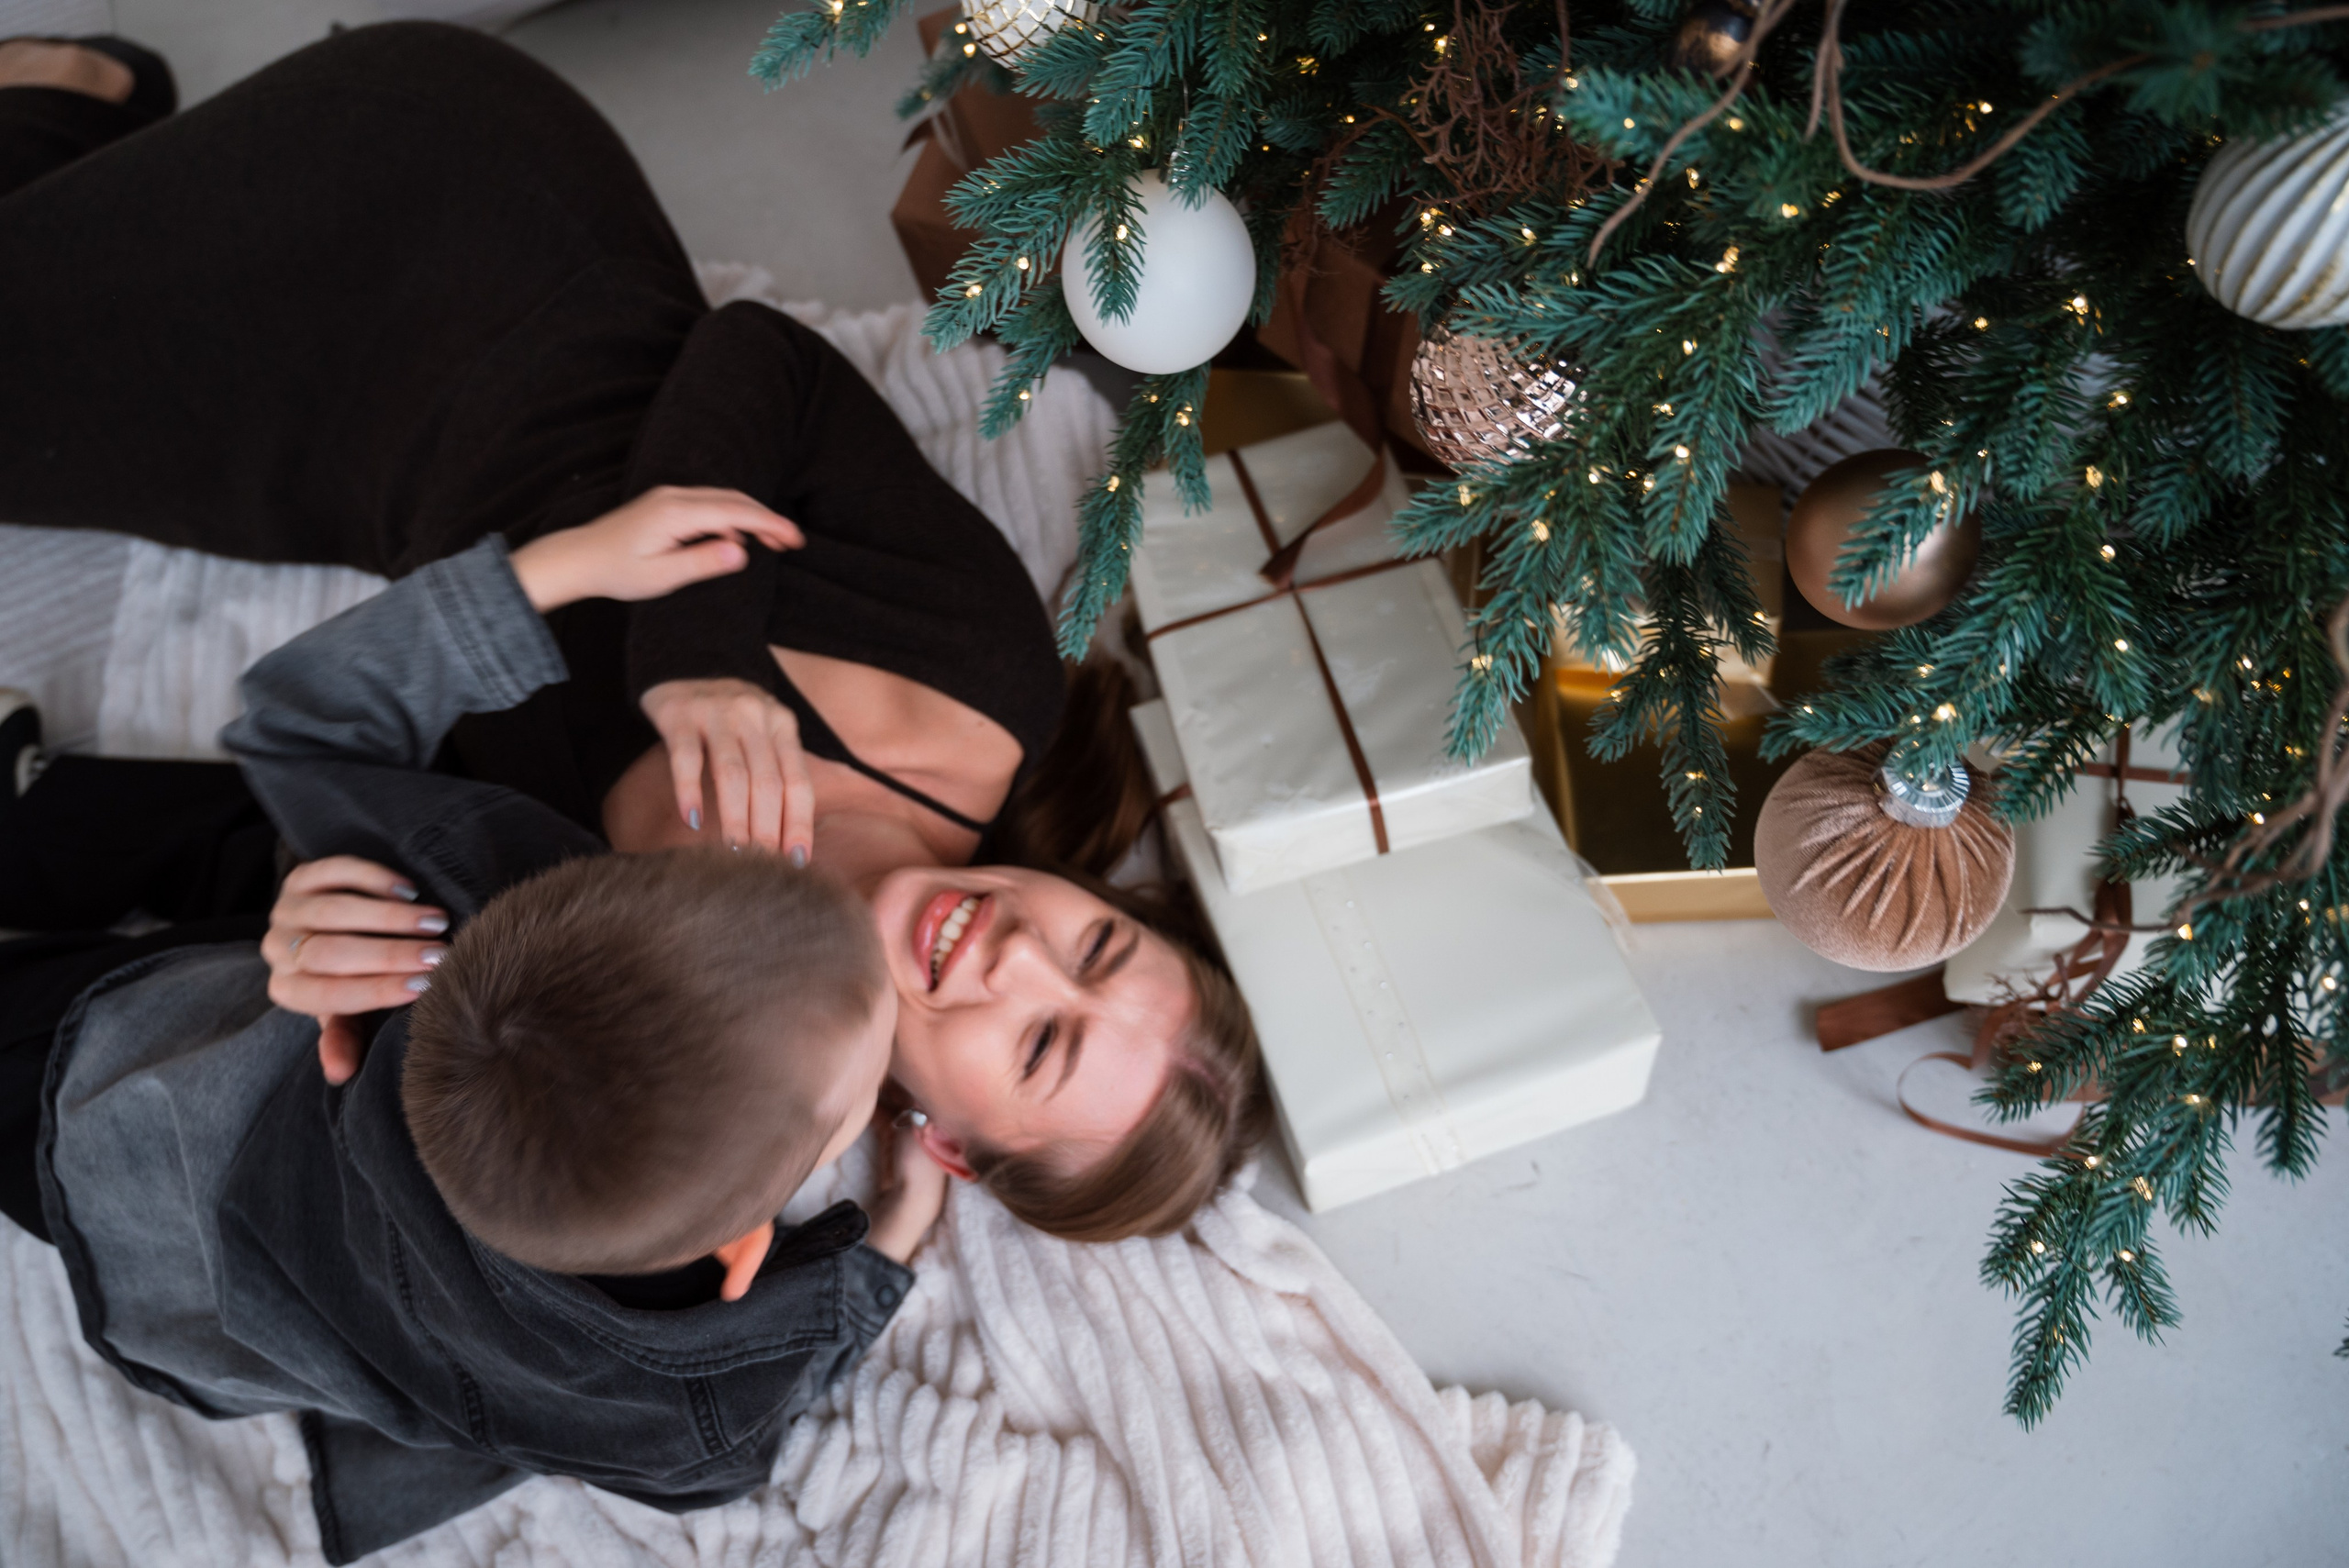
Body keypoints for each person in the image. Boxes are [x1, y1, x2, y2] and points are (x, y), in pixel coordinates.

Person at [0, 23, 1268, 1241]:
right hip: (449, 219)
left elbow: (360, 759)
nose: (1023, 954)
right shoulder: (969, 674)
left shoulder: (666, 1052)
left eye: (1044, 1040)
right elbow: (759, 357)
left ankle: (71, 127)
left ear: (946, 1142)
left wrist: (310, 910)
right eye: (1097, 941)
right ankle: (79, 107)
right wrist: (697, 652)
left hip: (317, 474)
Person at [26, 504, 949, 1563]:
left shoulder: (480, 900)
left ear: (343, 1051)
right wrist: (892, 1238)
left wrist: (561, 567)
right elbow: (718, 1462)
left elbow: (302, 719)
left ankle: (45, 817)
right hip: (223, 1314)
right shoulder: (684, 1398)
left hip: (120, 1131)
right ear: (743, 1258)